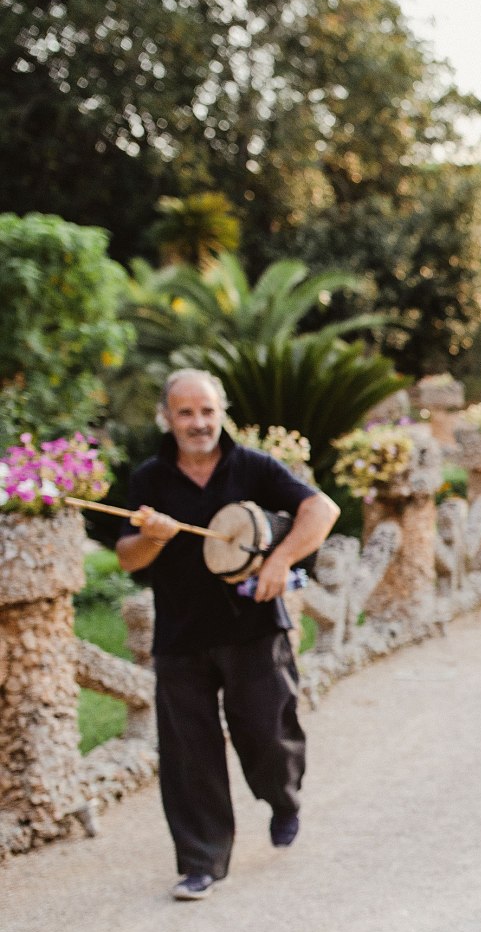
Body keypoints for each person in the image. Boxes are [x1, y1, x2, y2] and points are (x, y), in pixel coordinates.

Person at [117, 369, 340, 901]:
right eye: (187, 412)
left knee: (267, 734)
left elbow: (321, 508)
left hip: (254, 630)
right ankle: (202, 861)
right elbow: (129, 557)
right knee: (189, 753)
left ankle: (283, 798)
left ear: (222, 413)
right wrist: (153, 539)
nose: (199, 423)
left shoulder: (252, 466)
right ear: (166, 418)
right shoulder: (149, 479)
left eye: (208, 411)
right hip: (180, 635)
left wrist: (281, 560)